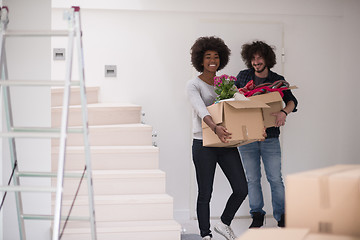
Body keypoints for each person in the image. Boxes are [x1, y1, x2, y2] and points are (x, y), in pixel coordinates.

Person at [186, 36, 248, 240]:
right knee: (205, 192)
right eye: (207, 57)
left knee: (241, 188)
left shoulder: (227, 83)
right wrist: (215, 127)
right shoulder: (193, 85)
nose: (213, 60)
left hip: (226, 142)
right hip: (203, 144)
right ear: (200, 60)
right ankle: (205, 234)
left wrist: (257, 129)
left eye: (216, 56)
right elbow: (200, 108)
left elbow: (240, 107)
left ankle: (224, 223)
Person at [235, 40, 298, 228]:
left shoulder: (277, 78)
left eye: (259, 58)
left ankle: (282, 216)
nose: (256, 62)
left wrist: (283, 112)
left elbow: (292, 100)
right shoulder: (243, 77)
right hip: (247, 138)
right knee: (252, 179)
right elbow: (233, 99)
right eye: (253, 58)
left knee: (275, 179)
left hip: (270, 138)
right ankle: (257, 215)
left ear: (267, 59)